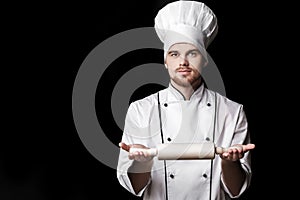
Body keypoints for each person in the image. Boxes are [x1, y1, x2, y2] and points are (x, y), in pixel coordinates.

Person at [117, 1, 255, 199]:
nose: (183, 62)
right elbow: (134, 187)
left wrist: (230, 161)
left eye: (192, 53)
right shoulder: (141, 110)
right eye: (174, 54)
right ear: (166, 62)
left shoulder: (232, 112)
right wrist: (142, 161)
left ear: (205, 60)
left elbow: (236, 189)